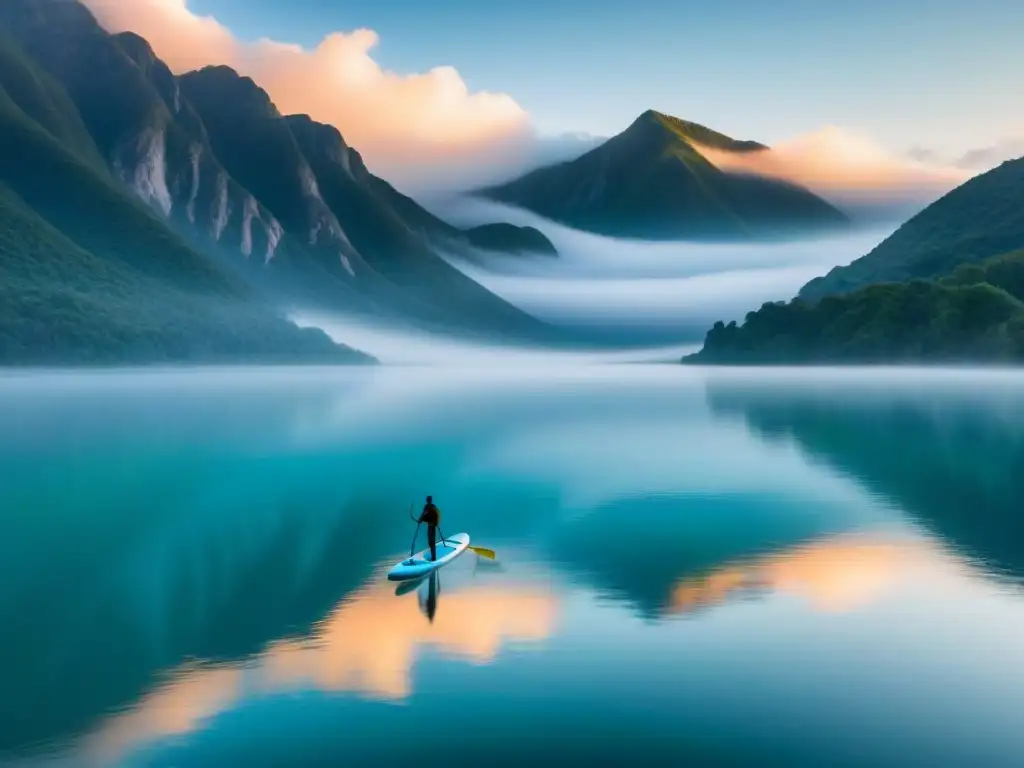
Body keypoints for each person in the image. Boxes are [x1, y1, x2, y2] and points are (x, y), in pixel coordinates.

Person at [418, 495, 441, 561]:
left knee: (431, 542)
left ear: (428, 500)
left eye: (428, 499)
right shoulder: (431, 507)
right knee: (431, 542)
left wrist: (420, 520)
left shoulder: (429, 507)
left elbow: (424, 514)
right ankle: (433, 557)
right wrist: (420, 520)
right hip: (432, 525)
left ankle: (434, 558)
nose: (428, 501)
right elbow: (425, 514)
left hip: (432, 526)